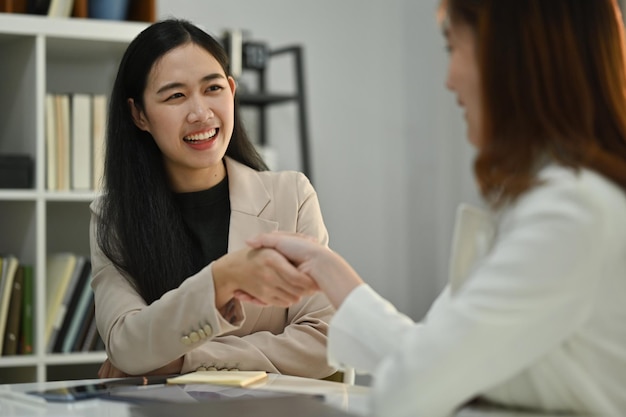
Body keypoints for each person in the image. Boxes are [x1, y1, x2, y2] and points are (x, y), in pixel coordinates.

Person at [245, 1, 626, 416]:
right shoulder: (562, 200)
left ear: (510, 58)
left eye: (452, 48)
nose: (448, 80)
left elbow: (412, 388)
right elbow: (434, 354)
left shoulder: (570, 212)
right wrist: (326, 268)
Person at [89, 18, 336, 380]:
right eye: (175, 95)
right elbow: (126, 344)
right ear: (139, 115)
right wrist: (221, 279)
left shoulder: (291, 196)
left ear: (232, 91)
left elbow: (324, 342)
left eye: (213, 88)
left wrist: (185, 360)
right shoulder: (113, 217)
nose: (200, 113)